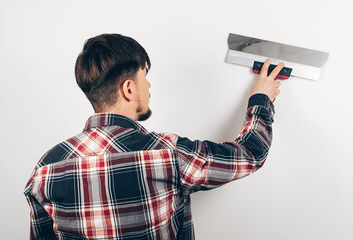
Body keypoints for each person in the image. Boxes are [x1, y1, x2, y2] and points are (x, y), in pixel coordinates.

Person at [24, 33, 283, 240]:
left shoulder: (45, 169)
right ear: (128, 88)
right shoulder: (167, 153)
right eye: (143, 77)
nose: (148, 86)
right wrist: (261, 98)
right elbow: (250, 155)